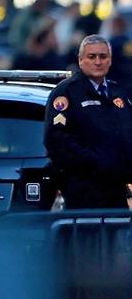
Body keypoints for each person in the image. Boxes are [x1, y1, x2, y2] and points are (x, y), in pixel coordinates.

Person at [44, 34, 132, 209]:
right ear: (81, 60)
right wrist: (95, 163)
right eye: (92, 57)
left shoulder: (118, 92)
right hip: (83, 192)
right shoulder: (67, 92)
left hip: (116, 189)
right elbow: (56, 139)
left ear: (110, 60)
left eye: (103, 56)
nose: (97, 62)